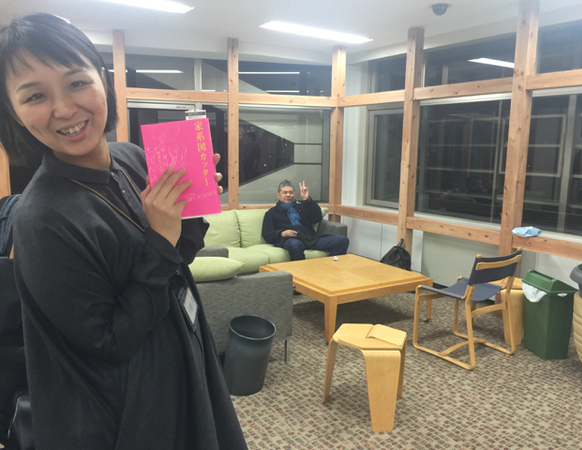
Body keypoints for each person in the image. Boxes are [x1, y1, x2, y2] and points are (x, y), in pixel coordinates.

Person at [0, 13, 247, 450]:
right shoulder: (41, 219)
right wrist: (160, 238)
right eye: (36, 95)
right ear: (15, 114)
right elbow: (109, 339)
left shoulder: (131, 157)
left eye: (77, 82)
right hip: (127, 410)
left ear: (103, 78)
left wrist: (192, 203)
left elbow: (179, 258)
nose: (64, 109)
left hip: (182, 354)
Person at [262, 180, 349, 261]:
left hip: (310, 239)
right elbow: (267, 234)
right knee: (295, 244)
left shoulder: (301, 207)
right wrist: (282, 233)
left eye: (291, 192)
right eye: (285, 192)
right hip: (291, 240)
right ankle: (301, 270)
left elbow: (317, 218)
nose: (288, 195)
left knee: (342, 240)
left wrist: (307, 200)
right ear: (278, 195)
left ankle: (330, 267)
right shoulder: (272, 213)